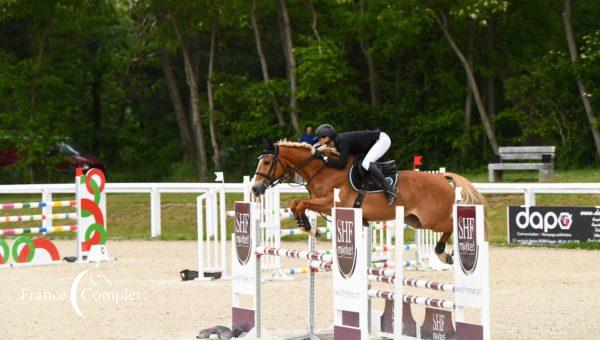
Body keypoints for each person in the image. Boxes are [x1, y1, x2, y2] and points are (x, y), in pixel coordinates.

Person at [312, 124, 399, 205]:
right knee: (361, 164)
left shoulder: (342, 140)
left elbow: (341, 164)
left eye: (320, 139)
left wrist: (323, 157)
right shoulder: (339, 141)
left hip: (381, 140)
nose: (319, 142)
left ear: (327, 137)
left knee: (366, 163)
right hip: (371, 144)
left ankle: (390, 189)